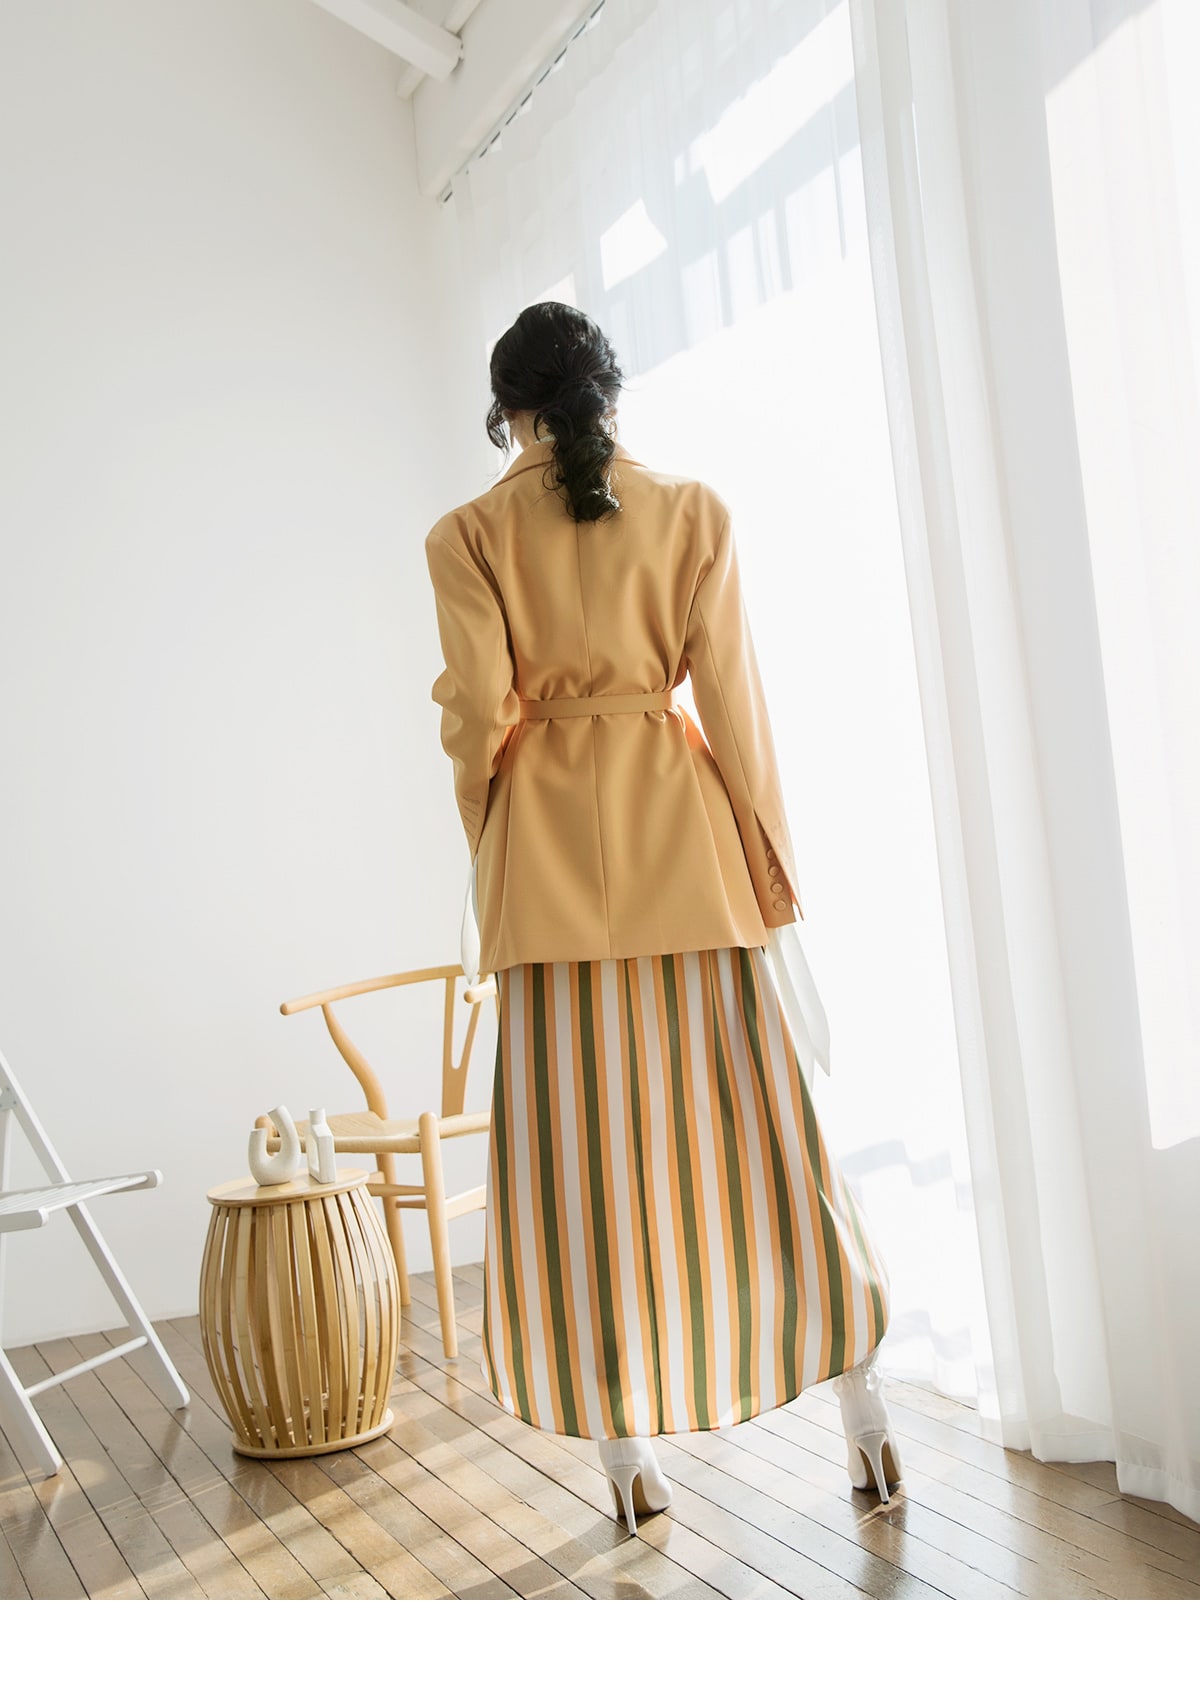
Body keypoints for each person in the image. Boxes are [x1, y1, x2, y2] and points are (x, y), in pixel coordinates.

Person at [425, 301, 901, 1535]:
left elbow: (478, 716)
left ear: (508, 412)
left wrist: (491, 837)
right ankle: (864, 1408)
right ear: (608, 395)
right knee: (759, 1138)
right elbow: (735, 705)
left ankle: (626, 1451)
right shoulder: (695, 511)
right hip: (692, 863)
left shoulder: (466, 535)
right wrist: (772, 875)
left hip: (547, 880)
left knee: (580, 1170)